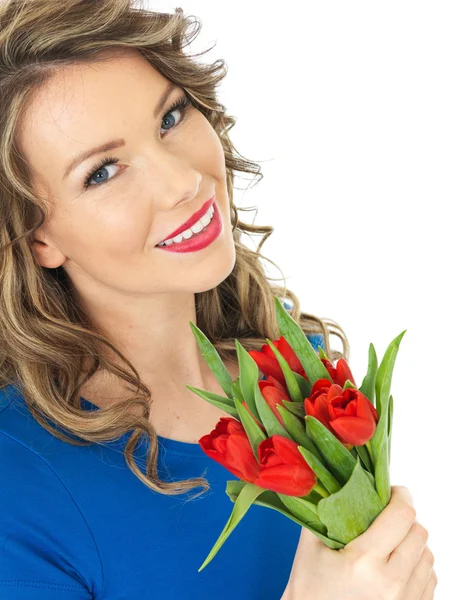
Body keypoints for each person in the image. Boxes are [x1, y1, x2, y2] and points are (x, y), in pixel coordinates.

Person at [0, 1, 436, 599]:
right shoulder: (18, 488)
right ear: (35, 236)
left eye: (170, 117)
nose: (183, 180)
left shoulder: (300, 375)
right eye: (103, 171)